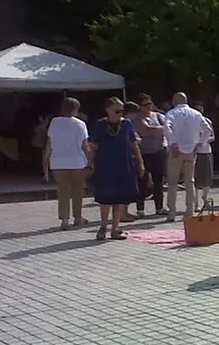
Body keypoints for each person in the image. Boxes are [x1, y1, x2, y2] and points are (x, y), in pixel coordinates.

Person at [89, 97, 145, 240]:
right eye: (117, 110)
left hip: (123, 164)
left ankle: (115, 228)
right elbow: (94, 147)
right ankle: (103, 227)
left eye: (122, 110)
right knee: (105, 198)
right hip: (105, 165)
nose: (121, 113)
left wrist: (140, 162)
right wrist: (90, 164)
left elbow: (133, 144)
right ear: (108, 110)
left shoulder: (126, 124)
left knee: (119, 199)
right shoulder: (100, 125)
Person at [43, 97, 90, 230]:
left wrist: (45, 163)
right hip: (77, 162)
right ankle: (77, 217)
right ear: (76, 109)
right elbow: (85, 146)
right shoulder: (80, 124)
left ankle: (64, 219)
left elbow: (49, 144)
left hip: (58, 162)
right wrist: (90, 161)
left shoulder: (54, 122)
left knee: (62, 192)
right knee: (77, 191)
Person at [164, 92, 212, 221]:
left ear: (175, 101)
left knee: (173, 182)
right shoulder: (196, 114)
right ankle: (189, 211)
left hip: (176, 150)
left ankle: (172, 212)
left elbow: (167, 128)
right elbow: (207, 129)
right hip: (191, 149)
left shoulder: (171, 113)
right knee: (189, 181)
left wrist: (173, 143)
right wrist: (200, 143)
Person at [134, 94, 169, 217]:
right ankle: (140, 208)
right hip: (144, 152)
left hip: (159, 151)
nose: (148, 107)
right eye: (145, 105)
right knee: (142, 181)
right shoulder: (137, 118)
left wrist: (155, 129)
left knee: (158, 180)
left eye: (150, 104)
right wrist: (159, 129)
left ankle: (159, 207)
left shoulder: (158, 116)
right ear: (140, 107)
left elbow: (168, 127)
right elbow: (144, 130)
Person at [194, 104, 215, 211]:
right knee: (195, 178)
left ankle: (205, 198)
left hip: (206, 151)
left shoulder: (207, 121)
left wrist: (203, 141)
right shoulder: (191, 122)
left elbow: (212, 136)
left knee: (207, 177)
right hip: (194, 152)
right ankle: (196, 203)